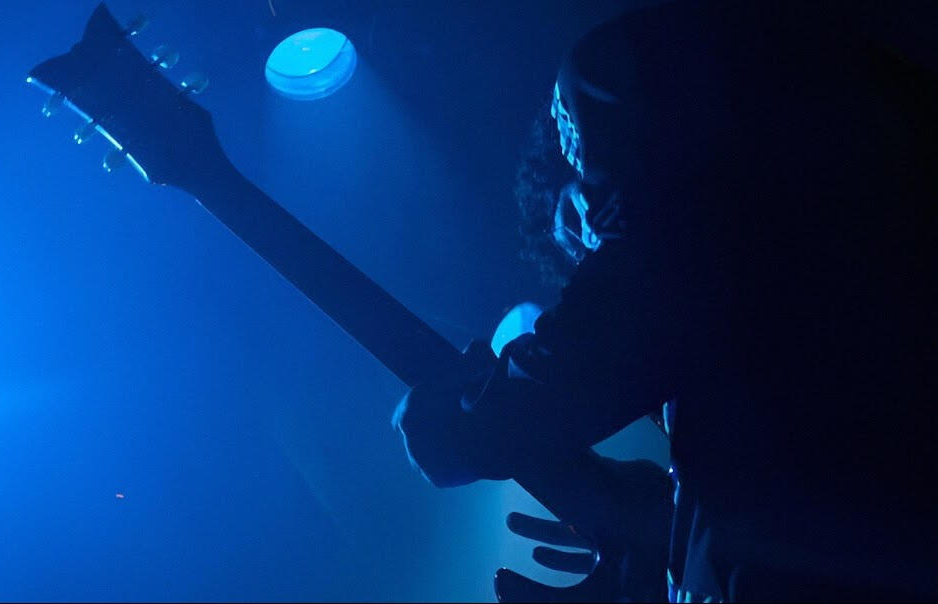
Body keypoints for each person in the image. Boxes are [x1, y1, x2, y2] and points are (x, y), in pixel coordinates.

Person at [393, 2, 938, 601]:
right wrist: (672, 527)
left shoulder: (637, 103)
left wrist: (469, 429)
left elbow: (648, 289)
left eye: (583, 240)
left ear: (580, 178)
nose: (591, 261)